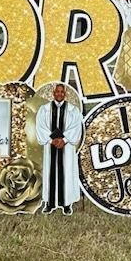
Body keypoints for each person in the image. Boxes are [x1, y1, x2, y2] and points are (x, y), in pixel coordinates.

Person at [35, 83, 82, 214]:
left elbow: (76, 127)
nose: (59, 94)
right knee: (50, 173)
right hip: (50, 147)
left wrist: (65, 140)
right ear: (53, 93)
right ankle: (50, 203)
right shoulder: (44, 109)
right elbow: (40, 126)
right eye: (57, 91)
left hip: (66, 148)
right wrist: (51, 140)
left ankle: (66, 204)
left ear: (65, 93)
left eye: (62, 92)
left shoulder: (73, 110)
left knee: (66, 172)